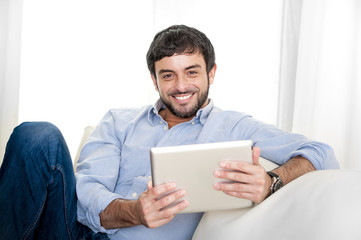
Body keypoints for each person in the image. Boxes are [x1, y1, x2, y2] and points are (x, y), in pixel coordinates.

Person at [0, 25, 339, 240]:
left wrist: (271, 181)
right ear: (154, 80)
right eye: (167, 76)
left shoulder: (235, 126)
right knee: (37, 135)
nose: (180, 87)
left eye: (191, 72)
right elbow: (86, 190)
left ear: (212, 72)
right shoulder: (119, 121)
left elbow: (321, 152)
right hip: (75, 233)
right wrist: (134, 211)